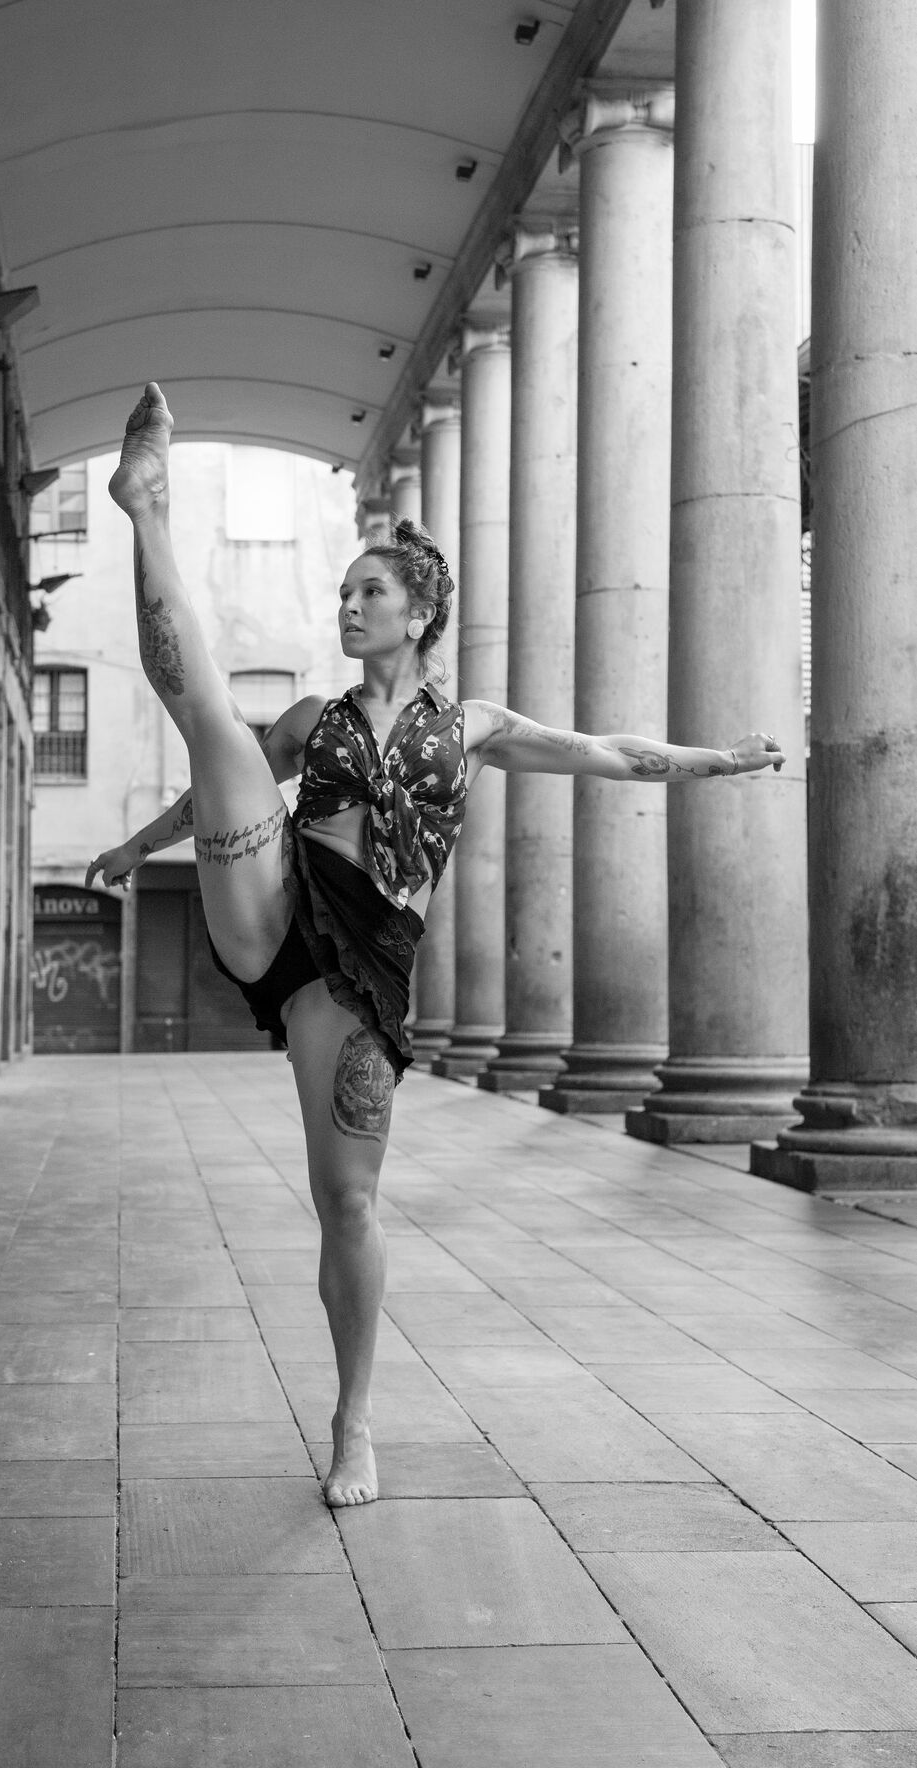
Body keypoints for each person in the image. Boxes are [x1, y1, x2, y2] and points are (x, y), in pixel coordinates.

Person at [87, 382, 783, 1508]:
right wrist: (135, 846)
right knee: (213, 722)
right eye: (343, 592)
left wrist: (717, 761)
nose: (348, 606)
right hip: (273, 902)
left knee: (347, 1204)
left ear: (417, 614)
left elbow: (606, 751)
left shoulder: (474, 728)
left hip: (362, 973)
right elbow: (216, 791)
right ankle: (148, 506)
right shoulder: (313, 720)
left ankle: (352, 1420)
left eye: (368, 591)